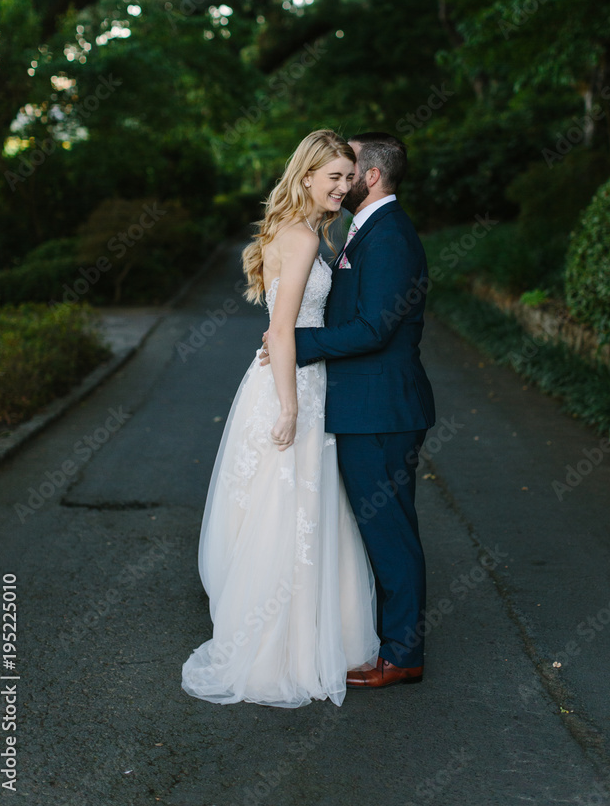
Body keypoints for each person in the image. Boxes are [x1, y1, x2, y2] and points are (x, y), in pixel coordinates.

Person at [181, 130, 380, 709]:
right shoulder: (297, 237)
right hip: (291, 387)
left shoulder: (309, 231)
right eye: (334, 177)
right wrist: (290, 405)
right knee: (286, 505)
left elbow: (281, 327)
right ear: (307, 176)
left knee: (304, 507)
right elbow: (286, 328)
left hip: (296, 377)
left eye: (350, 177)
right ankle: (277, 649)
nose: (344, 187)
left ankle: (314, 636)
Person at [261, 132, 435, 688]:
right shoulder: (363, 231)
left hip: (380, 410)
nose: (339, 176)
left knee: (389, 530)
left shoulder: (388, 239)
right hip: (363, 407)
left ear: (372, 176)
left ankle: (402, 654)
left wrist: (298, 343)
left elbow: (375, 328)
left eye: (348, 168)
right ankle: (387, 640)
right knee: (377, 528)